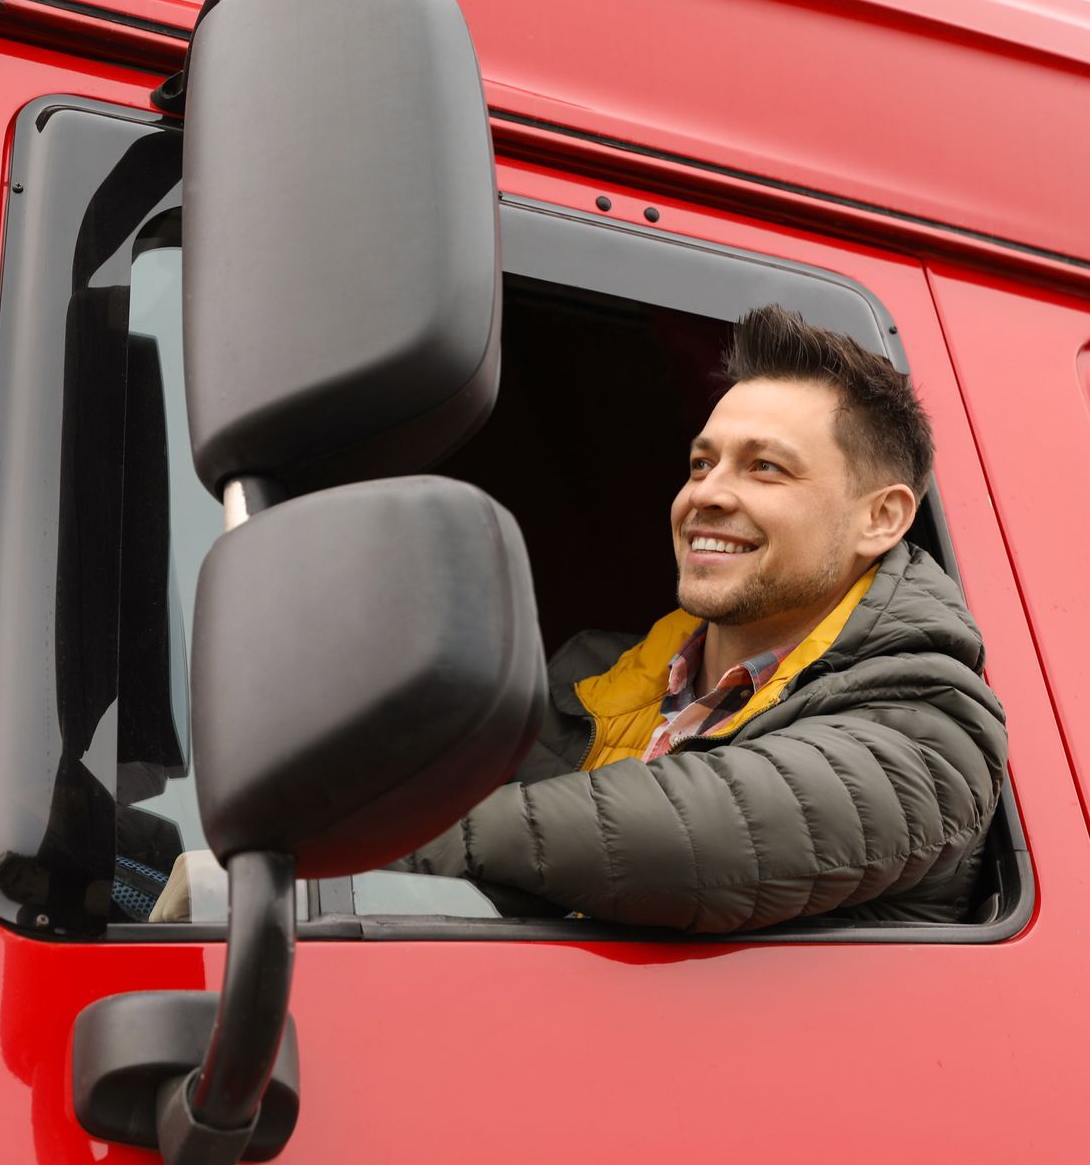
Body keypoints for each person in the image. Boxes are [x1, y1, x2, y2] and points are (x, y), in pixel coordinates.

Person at [400, 305, 1007, 933]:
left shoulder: (929, 722)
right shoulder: (590, 674)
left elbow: (704, 828)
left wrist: (401, 846)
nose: (706, 494)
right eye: (700, 463)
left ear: (880, 518)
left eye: (764, 466)